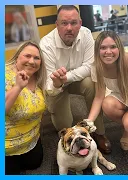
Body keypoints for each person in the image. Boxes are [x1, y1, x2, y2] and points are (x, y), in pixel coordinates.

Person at [39, 5, 111, 154]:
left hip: (75, 80)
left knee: (92, 83)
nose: (69, 28)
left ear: (80, 23)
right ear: (57, 25)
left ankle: (99, 133)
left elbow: (89, 66)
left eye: (73, 22)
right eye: (64, 23)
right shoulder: (46, 44)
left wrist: (67, 77)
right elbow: (48, 84)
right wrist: (58, 83)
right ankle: (70, 140)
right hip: (56, 86)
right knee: (63, 125)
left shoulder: (86, 34)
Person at [5, 41, 47, 174]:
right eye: (27, 56)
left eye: (36, 58)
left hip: (31, 142)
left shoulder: (39, 77)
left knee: (35, 163)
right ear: (17, 57)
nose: (32, 61)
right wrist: (18, 87)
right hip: (7, 148)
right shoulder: (5, 75)